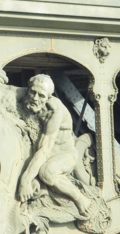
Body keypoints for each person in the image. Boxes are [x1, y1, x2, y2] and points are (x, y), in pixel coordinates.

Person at [16, 74, 92, 216]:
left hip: (63, 155)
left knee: (46, 172)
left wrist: (25, 180)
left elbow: (45, 150)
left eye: (41, 95)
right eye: (32, 92)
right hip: (37, 148)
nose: (35, 98)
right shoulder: (25, 96)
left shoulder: (54, 112)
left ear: (49, 97)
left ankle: (79, 198)